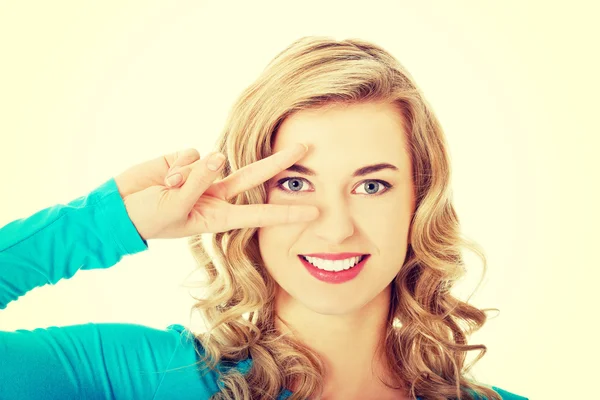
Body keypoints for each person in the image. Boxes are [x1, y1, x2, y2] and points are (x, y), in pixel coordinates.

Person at [0, 36, 527, 400]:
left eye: (372, 185)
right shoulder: (144, 375)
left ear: (420, 201)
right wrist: (109, 221)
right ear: (246, 201)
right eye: (295, 183)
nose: (336, 226)